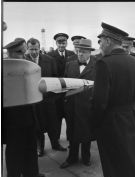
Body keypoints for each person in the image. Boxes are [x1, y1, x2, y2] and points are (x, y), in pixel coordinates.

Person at [91, 22, 135, 177]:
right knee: (133, 161)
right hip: (131, 117)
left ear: (108, 40)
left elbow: (99, 102)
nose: (99, 45)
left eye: (101, 41)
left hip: (112, 122)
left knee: (118, 165)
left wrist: (94, 124)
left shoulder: (104, 64)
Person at [3, 38, 45, 177]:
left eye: (24, 51)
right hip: (12, 117)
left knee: (30, 144)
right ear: (11, 52)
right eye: (20, 52)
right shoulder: (5, 68)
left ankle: (31, 172)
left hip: (28, 111)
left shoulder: (27, 66)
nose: (24, 54)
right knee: (15, 148)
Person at [25, 38, 66, 156]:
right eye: (31, 49)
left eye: (36, 49)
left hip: (49, 100)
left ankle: (55, 144)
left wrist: (54, 97)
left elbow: (55, 78)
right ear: (28, 49)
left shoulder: (50, 60)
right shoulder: (24, 61)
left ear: (39, 48)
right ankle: (40, 147)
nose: (34, 52)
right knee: (37, 125)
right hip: (34, 101)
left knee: (53, 123)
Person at [60, 39, 96, 168]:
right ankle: (72, 157)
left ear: (89, 53)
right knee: (72, 133)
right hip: (72, 106)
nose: (80, 54)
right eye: (79, 51)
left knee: (86, 132)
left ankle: (86, 157)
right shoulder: (70, 64)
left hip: (88, 106)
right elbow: (65, 84)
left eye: (84, 52)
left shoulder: (97, 65)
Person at [47, 33, 75, 151]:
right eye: (59, 42)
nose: (61, 45)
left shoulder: (72, 54)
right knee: (56, 119)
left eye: (63, 42)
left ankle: (71, 139)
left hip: (69, 92)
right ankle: (56, 141)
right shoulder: (50, 56)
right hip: (57, 93)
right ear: (56, 43)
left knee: (70, 117)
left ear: (66, 43)